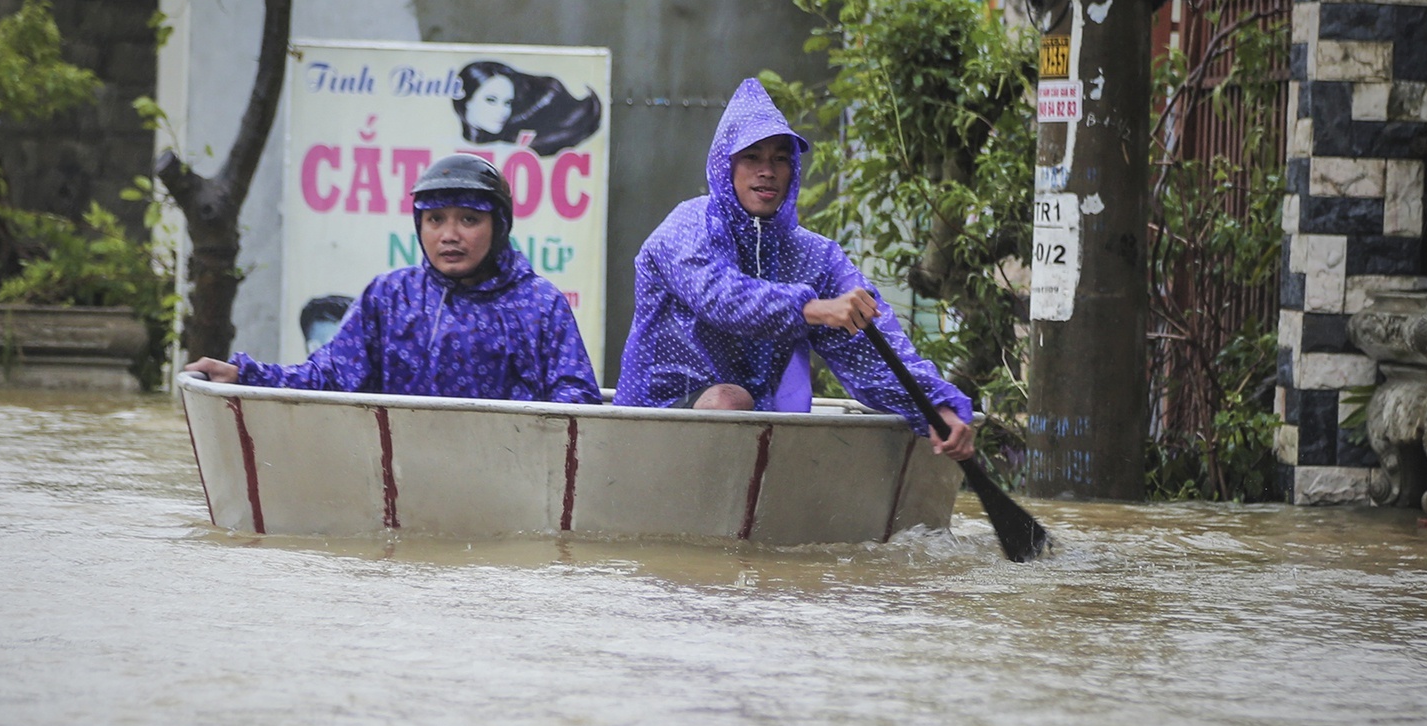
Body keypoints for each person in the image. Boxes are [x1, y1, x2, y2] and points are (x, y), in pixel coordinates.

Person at [615, 78, 977, 461]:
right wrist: (815, 309)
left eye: (780, 158)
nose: (767, 171)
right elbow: (721, 297)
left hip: (754, 431)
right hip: (653, 419)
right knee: (729, 399)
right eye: (752, 157)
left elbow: (874, 347)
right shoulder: (686, 226)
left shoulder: (815, 257)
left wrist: (935, 406)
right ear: (727, 165)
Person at [186, 155, 600, 403]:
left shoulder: (539, 304)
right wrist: (245, 375)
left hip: (509, 488)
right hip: (401, 480)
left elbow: (574, 401)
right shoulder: (390, 296)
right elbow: (328, 378)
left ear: (500, 228)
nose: (449, 235)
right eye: (435, 220)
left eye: (469, 220)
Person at [452, 59, 603, 156]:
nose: (502, 111)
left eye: (508, 103)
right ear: (466, 100)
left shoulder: (512, 143)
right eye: (491, 100)